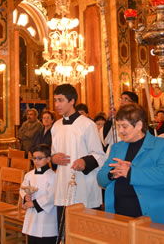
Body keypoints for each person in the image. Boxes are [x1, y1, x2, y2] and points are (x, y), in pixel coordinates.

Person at [97, 103, 164, 227]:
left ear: (139, 125)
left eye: (124, 126)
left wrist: (130, 172)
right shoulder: (117, 147)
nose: (120, 131)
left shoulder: (161, 145)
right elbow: (101, 178)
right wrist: (112, 174)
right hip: (119, 216)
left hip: (153, 218)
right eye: (119, 126)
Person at [50, 84, 105, 240]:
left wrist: (84, 161)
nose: (57, 105)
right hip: (62, 184)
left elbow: (99, 155)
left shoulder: (87, 124)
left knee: (84, 234)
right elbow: (53, 154)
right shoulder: (56, 126)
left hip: (83, 184)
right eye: (55, 100)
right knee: (64, 233)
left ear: (72, 100)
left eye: (60, 100)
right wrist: (53, 158)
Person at [20, 144, 58, 244]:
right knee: (32, 239)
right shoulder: (29, 175)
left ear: (48, 159)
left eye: (40, 158)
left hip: (46, 217)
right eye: (34, 158)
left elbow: (52, 196)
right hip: (32, 216)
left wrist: (34, 203)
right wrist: (25, 197)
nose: (36, 161)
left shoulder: (53, 176)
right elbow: (22, 189)